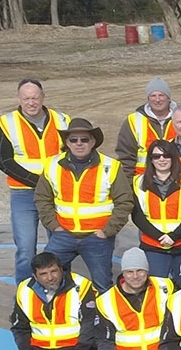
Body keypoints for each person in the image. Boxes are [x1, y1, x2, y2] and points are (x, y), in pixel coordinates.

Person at [36, 117, 134, 291]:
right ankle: (51, 316)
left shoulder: (111, 166)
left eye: (84, 139)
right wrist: (54, 226)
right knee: (45, 278)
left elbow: (125, 202)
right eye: (73, 140)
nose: (79, 143)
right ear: (67, 142)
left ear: (93, 141)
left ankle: (104, 318)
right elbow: (42, 198)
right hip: (63, 235)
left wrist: (106, 232)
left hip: (97, 238)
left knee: (102, 285)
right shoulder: (52, 165)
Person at [0, 78, 69, 284]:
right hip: (23, 195)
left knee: (61, 244)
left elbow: (72, 154)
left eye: (35, 97)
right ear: (19, 99)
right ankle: (24, 299)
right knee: (26, 248)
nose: (31, 102)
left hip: (56, 195)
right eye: (26, 98)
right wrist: (36, 182)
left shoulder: (62, 120)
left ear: (43, 97)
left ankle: (63, 293)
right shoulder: (7, 123)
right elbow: (4, 160)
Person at [130, 138, 181, 284]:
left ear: (173, 157)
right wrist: (159, 237)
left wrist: (174, 236)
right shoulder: (138, 182)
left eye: (166, 155)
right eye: (156, 156)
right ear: (151, 160)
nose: (161, 160)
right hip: (153, 247)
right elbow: (137, 215)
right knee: (157, 291)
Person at [115, 76, 177, 178]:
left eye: (161, 95)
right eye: (153, 95)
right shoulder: (133, 121)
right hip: (143, 183)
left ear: (168, 98)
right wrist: (129, 186)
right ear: (148, 98)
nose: (157, 100)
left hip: (177, 182)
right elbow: (126, 157)